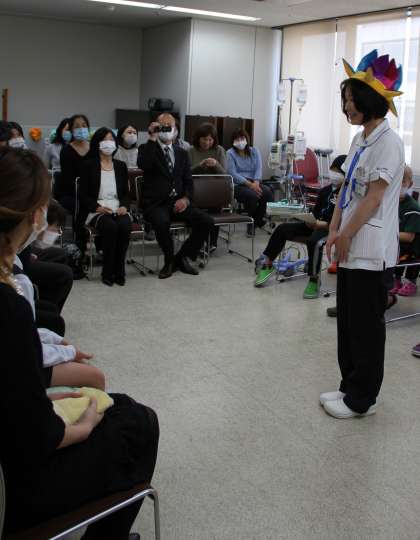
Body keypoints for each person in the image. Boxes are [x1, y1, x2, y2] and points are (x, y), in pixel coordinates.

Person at [0, 145, 159, 539]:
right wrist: (83, 426)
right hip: (18, 483)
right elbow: (40, 437)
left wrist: (42, 398)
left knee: (118, 405)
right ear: (29, 214)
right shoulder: (8, 307)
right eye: (42, 206)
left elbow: (15, 390)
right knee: (139, 422)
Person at [321, 49, 405, 419]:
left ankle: (362, 399)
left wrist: (347, 235)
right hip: (350, 241)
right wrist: (334, 228)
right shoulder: (360, 139)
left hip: (371, 247)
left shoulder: (390, 142)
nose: (346, 107)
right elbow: (347, 189)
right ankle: (348, 386)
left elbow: (373, 198)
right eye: (344, 99)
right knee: (348, 322)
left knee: (367, 328)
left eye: (351, 99)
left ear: (371, 100)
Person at [254, 155, 347, 297]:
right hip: (314, 224)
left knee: (314, 241)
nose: (334, 174)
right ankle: (268, 264)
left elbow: (341, 220)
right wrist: (309, 220)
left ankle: (314, 280)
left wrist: (320, 224)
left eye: (338, 171)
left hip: (329, 229)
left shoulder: (346, 194)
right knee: (282, 229)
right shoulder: (325, 191)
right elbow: (315, 212)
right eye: (332, 170)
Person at [138, 113, 214, 279]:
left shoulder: (182, 153)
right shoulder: (147, 148)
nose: (166, 129)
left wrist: (185, 199)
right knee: (162, 222)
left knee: (207, 221)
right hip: (156, 203)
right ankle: (169, 260)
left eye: (169, 126)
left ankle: (182, 257)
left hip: (178, 201)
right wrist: (152, 137)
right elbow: (144, 164)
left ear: (175, 130)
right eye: (162, 126)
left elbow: (188, 181)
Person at [79, 127, 131, 286]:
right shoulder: (88, 165)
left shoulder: (121, 166)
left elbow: (126, 194)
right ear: (97, 143)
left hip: (117, 207)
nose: (109, 143)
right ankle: (107, 271)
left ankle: (119, 269)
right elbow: (83, 195)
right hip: (97, 210)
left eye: (111, 139)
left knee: (124, 225)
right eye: (105, 140)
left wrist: (124, 206)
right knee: (110, 227)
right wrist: (97, 207)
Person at [227, 128, 273, 235]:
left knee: (267, 193)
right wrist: (249, 184)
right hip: (238, 184)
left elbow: (258, 168)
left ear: (247, 139)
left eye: (242, 138)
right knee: (252, 195)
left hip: (254, 182)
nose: (240, 141)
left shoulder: (254, 151)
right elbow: (232, 173)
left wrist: (256, 182)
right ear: (233, 141)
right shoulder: (230, 153)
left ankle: (256, 221)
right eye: (237, 139)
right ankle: (251, 223)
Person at [389, 165, 420, 296]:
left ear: (410, 184)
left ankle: (411, 282)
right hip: (398, 242)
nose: (399, 184)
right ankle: (396, 280)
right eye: (395, 179)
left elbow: (409, 237)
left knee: (397, 250)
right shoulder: (392, 202)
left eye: (403, 181)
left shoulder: (413, 207)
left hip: (412, 247)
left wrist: (387, 234)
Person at [58, 113, 91, 215]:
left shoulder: (94, 148)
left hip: (92, 193)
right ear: (71, 130)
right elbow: (67, 179)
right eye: (77, 126)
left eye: (84, 125)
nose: (81, 129)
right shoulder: (66, 150)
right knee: (85, 206)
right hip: (72, 193)